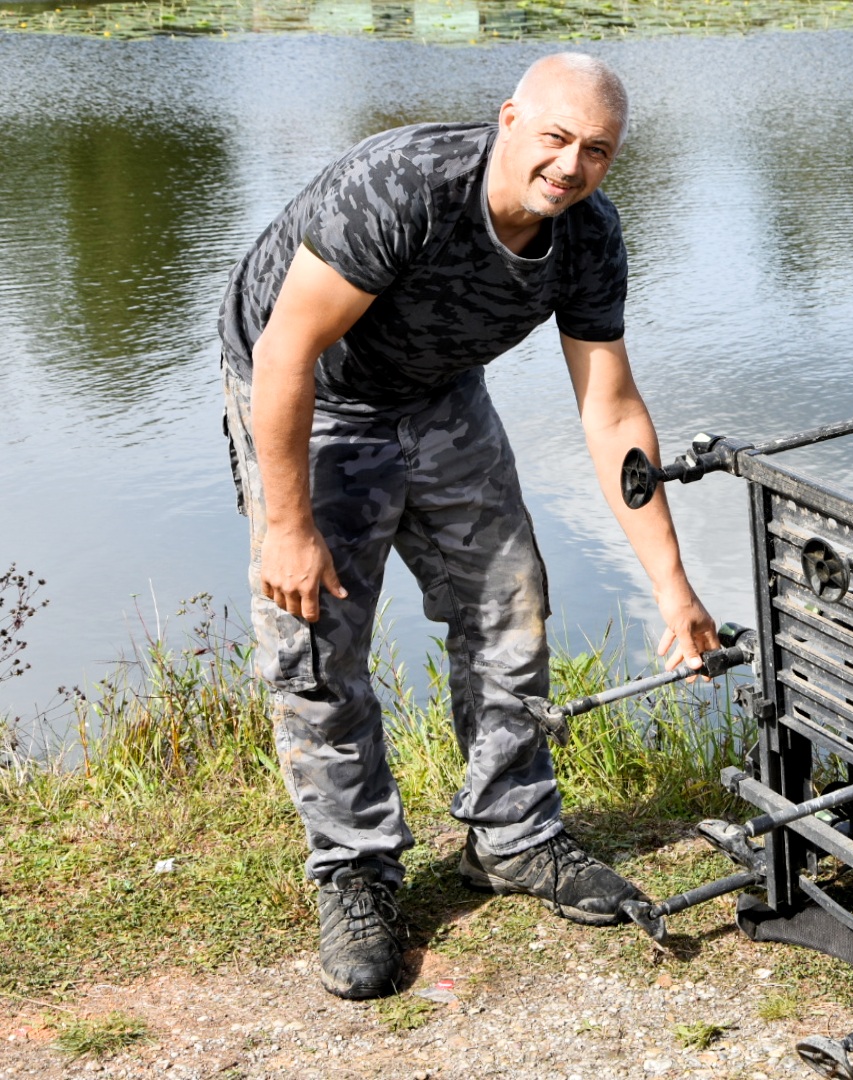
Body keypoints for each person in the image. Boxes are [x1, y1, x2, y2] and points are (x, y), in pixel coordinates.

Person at [217, 52, 718, 1001]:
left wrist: (672, 585)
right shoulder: (404, 187)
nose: (571, 167)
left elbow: (610, 411)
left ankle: (515, 834)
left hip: (437, 391)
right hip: (309, 388)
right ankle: (355, 868)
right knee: (316, 631)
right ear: (509, 117)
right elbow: (285, 351)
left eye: (597, 152)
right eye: (557, 137)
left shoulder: (588, 239)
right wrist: (287, 523)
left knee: (508, 599)